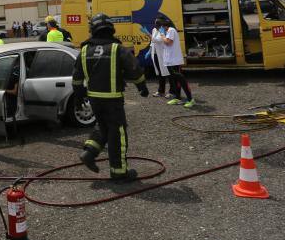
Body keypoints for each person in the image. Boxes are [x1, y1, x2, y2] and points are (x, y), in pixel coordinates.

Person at [73, 13, 149, 181]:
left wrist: (78, 100)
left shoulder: (84, 50)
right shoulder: (117, 49)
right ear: (111, 29)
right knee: (117, 133)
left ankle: (89, 153)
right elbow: (134, 70)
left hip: (94, 99)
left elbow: (77, 79)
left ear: (92, 30)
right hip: (113, 100)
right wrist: (142, 87)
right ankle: (119, 172)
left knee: (103, 127)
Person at [160, 19, 194, 108]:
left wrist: (162, 35)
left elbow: (168, 42)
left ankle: (190, 99)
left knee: (180, 79)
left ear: (164, 26)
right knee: (174, 80)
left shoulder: (171, 30)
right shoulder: (168, 32)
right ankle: (178, 98)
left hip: (174, 60)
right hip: (169, 61)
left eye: (160, 26)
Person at [149, 18, 171, 98]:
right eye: (155, 24)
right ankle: (161, 91)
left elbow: (158, 40)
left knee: (168, 73)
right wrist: (149, 50)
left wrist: (147, 34)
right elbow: (152, 42)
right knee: (160, 73)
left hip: (163, 55)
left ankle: (172, 92)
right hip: (155, 54)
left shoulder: (164, 30)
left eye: (157, 24)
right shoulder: (154, 30)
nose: (156, 25)